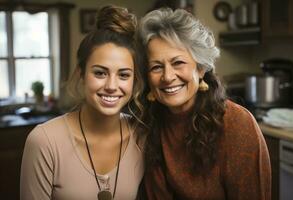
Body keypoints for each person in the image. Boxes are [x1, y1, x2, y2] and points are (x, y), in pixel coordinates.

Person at [138, 7, 271, 200]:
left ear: (200, 69)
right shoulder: (149, 125)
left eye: (178, 63)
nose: (167, 77)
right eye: (156, 67)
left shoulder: (237, 125)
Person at [20, 5, 144, 200]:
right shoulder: (44, 141)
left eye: (123, 75)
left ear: (134, 81)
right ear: (81, 75)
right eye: (100, 73)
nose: (112, 86)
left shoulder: (142, 136)